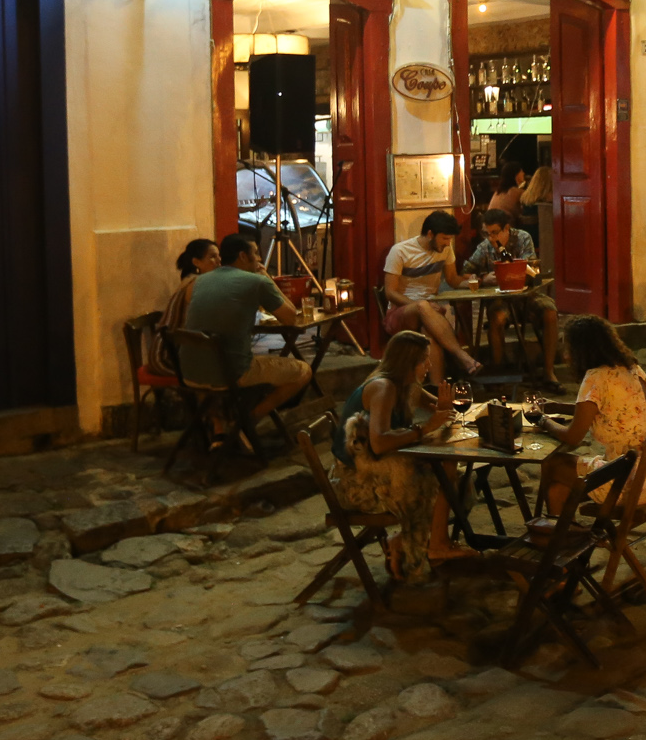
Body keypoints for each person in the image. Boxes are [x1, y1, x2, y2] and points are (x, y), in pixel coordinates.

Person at [327, 329, 468, 582]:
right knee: (445, 473)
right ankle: (436, 545)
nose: (429, 364)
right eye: (424, 359)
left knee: (456, 477)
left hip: (381, 468)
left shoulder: (407, 385)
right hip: (358, 481)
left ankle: (408, 541)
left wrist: (445, 407)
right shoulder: (383, 387)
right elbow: (379, 443)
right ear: (408, 362)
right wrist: (423, 429)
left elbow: (438, 408)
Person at [528, 316, 646, 515]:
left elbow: (573, 437)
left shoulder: (596, 378)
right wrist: (557, 406)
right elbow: (611, 410)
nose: (565, 355)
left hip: (630, 484)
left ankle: (549, 532)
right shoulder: (632, 368)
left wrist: (543, 421)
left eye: (567, 348)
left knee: (552, 464)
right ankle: (560, 531)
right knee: (558, 488)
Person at [184, 234, 312, 423]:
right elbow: (290, 318)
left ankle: (230, 424)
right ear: (243, 256)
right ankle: (248, 420)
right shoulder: (257, 281)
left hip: (189, 372)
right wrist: (266, 277)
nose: (260, 259)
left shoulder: (198, 281)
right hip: (230, 373)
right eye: (256, 254)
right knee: (303, 370)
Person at [462, 209, 561, 379]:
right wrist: (484, 278)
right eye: (487, 233)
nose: (491, 238)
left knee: (549, 312)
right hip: (501, 299)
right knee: (497, 317)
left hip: (528, 294)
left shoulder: (522, 238)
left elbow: (532, 270)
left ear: (506, 228)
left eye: (495, 233)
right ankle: (499, 372)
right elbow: (465, 272)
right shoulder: (485, 247)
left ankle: (549, 371)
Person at [383, 212, 483, 379]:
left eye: (449, 239)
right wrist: (423, 305)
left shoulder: (445, 250)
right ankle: (462, 357)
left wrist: (474, 281)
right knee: (423, 305)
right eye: (444, 238)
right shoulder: (400, 251)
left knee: (430, 335)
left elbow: (453, 280)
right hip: (400, 312)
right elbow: (390, 292)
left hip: (431, 312)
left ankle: (438, 392)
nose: (447, 243)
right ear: (430, 234)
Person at [162, 238, 221, 328]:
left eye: (218, 255)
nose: (219, 260)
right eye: (213, 256)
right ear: (196, 262)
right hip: (184, 338)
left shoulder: (195, 278)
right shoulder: (196, 283)